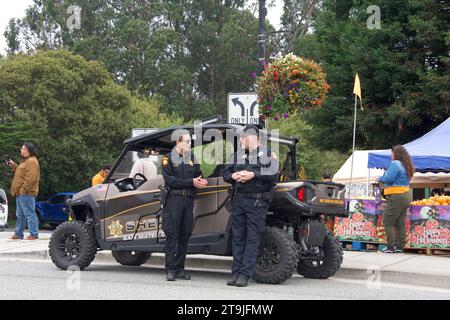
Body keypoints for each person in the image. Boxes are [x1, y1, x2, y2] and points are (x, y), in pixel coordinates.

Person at [223, 124, 279, 287]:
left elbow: (273, 174)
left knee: (252, 238)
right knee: (238, 238)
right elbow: (225, 174)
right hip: (239, 200)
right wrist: (233, 175)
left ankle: (244, 275)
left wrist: (252, 175)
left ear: (254, 138)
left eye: (244, 138)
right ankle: (235, 273)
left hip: (257, 201)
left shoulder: (268, 154)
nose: (241, 140)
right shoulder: (237, 155)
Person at [161, 131, 208, 281]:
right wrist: (191, 182)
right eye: (187, 141)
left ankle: (180, 268)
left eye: (190, 141)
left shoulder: (192, 158)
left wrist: (202, 181)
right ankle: (170, 269)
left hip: (188, 202)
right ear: (178, 142)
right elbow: (170, 180)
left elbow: (199, 174)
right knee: (172, 235)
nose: (189, 144)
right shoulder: (168, 158)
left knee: (184, 236)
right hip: (174, 201)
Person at [377, 145, 415, 253]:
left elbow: (388, 178)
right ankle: (399, 247)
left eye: (392, 153)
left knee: (387, 222)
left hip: (396, 196)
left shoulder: (395, 164)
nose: (391, 155)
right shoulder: (406, 165)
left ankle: (390, 247)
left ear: (396, 154)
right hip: (406, 195)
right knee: (400, 223)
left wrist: (380, 178)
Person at [7, 143, 41, 240]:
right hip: (20, 193)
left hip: (26, 193)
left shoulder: (32, 161)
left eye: (22, 148)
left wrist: (23, 190)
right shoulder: (25, 161)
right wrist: (13, 165)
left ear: (28, 150)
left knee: (30, 213)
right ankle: (18, 234)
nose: (21, 150)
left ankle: (33, 234)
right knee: (20, 215)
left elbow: (31, 179)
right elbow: (20, 173)